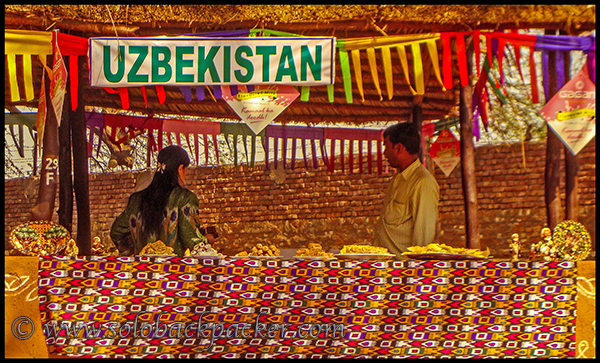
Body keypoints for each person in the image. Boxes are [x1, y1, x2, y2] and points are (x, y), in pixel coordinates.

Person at [110, 145, 214, 256]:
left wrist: (136, 249)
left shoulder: (136, 200)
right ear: (180, 169)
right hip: (172, 271)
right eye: (185, 170)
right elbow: (192, 241)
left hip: (142, 270)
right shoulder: (185, 198)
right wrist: (207, 240)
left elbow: (117, 232)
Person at [374, 122, 439, 257]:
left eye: (386, 147)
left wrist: (413, 275)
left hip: (404, 272)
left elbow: (423, 243)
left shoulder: (423, 182)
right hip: (386, 267)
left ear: (398, 148)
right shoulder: (398, 179)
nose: (385, 152)